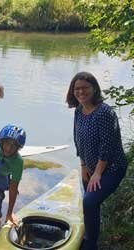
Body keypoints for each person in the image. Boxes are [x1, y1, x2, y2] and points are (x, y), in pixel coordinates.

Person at [66, 72, 127, 250]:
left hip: (112, 168)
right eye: (77, 88)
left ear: (94, 89)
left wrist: (98, 173)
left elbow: (107, 147)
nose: (81, 91)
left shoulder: (105, 113)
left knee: (90, 202)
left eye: (85, 87)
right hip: (90, 167)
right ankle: (90, 235)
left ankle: (91, 244)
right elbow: (78, 139)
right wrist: (84, 165)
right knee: (91, 204)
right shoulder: (79, 110)